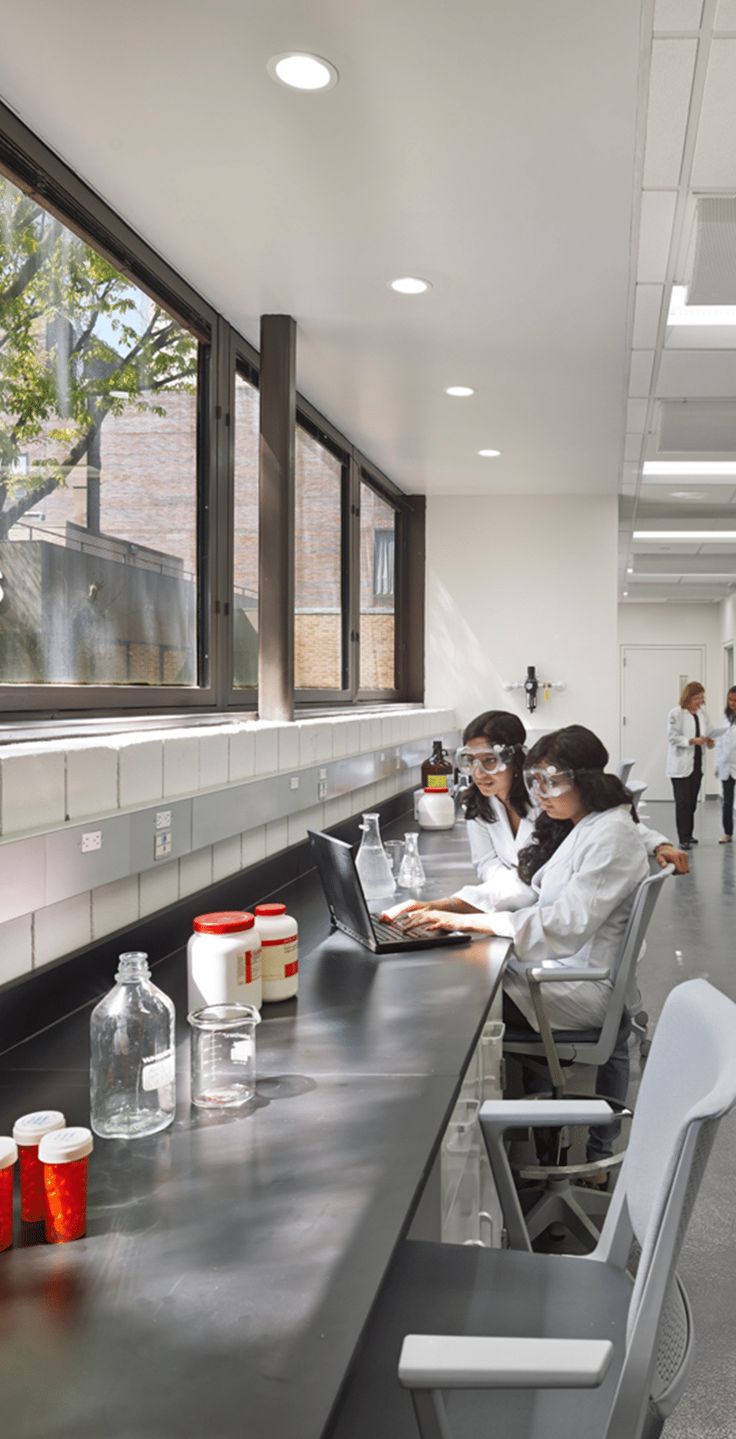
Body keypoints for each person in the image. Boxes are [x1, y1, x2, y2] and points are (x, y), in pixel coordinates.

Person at [392, 725, 655, 1179]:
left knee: (454, 998)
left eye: (552, 782)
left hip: (576, 986)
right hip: (556, 971)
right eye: (535, 782)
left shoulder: (610, 835)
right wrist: (445, 907)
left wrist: (470, 923)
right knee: (458, 964)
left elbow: (564, 926)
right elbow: (522, 885)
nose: (541, 794)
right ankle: (514, 1137)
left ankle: (452, 1148)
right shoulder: (582, 826)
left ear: (587, 779)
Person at [390, 710, 687, 929]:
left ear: (513, 758)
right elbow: (488, 866)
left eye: (490, 761)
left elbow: (615, 827)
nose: (479, 773)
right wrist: (479, 901)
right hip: (527, 906)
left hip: (545, 915)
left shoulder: (553, 798)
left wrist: (660, 845)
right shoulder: (481, 803)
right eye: (470, 762)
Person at [666, 681, 720, 849]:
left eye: (702, 697)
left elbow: (709, 731)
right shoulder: (676, 713)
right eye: (697, 697)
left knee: (691, 802)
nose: (700, 700)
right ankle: (683, 838)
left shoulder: (702, 714)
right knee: (682, 803)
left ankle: (689, 834)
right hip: (680, 766)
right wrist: (691, 741)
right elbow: (672, 737)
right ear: (688, 697)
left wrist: (710, 741)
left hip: (697, 764)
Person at [716, 686, 736, 844]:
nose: (732, 703)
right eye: (730, 700)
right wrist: (717, 764)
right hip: (726, 766)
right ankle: (728, 833)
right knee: (727, 802)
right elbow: (720, 744)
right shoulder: (726, 719)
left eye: (735, 700)